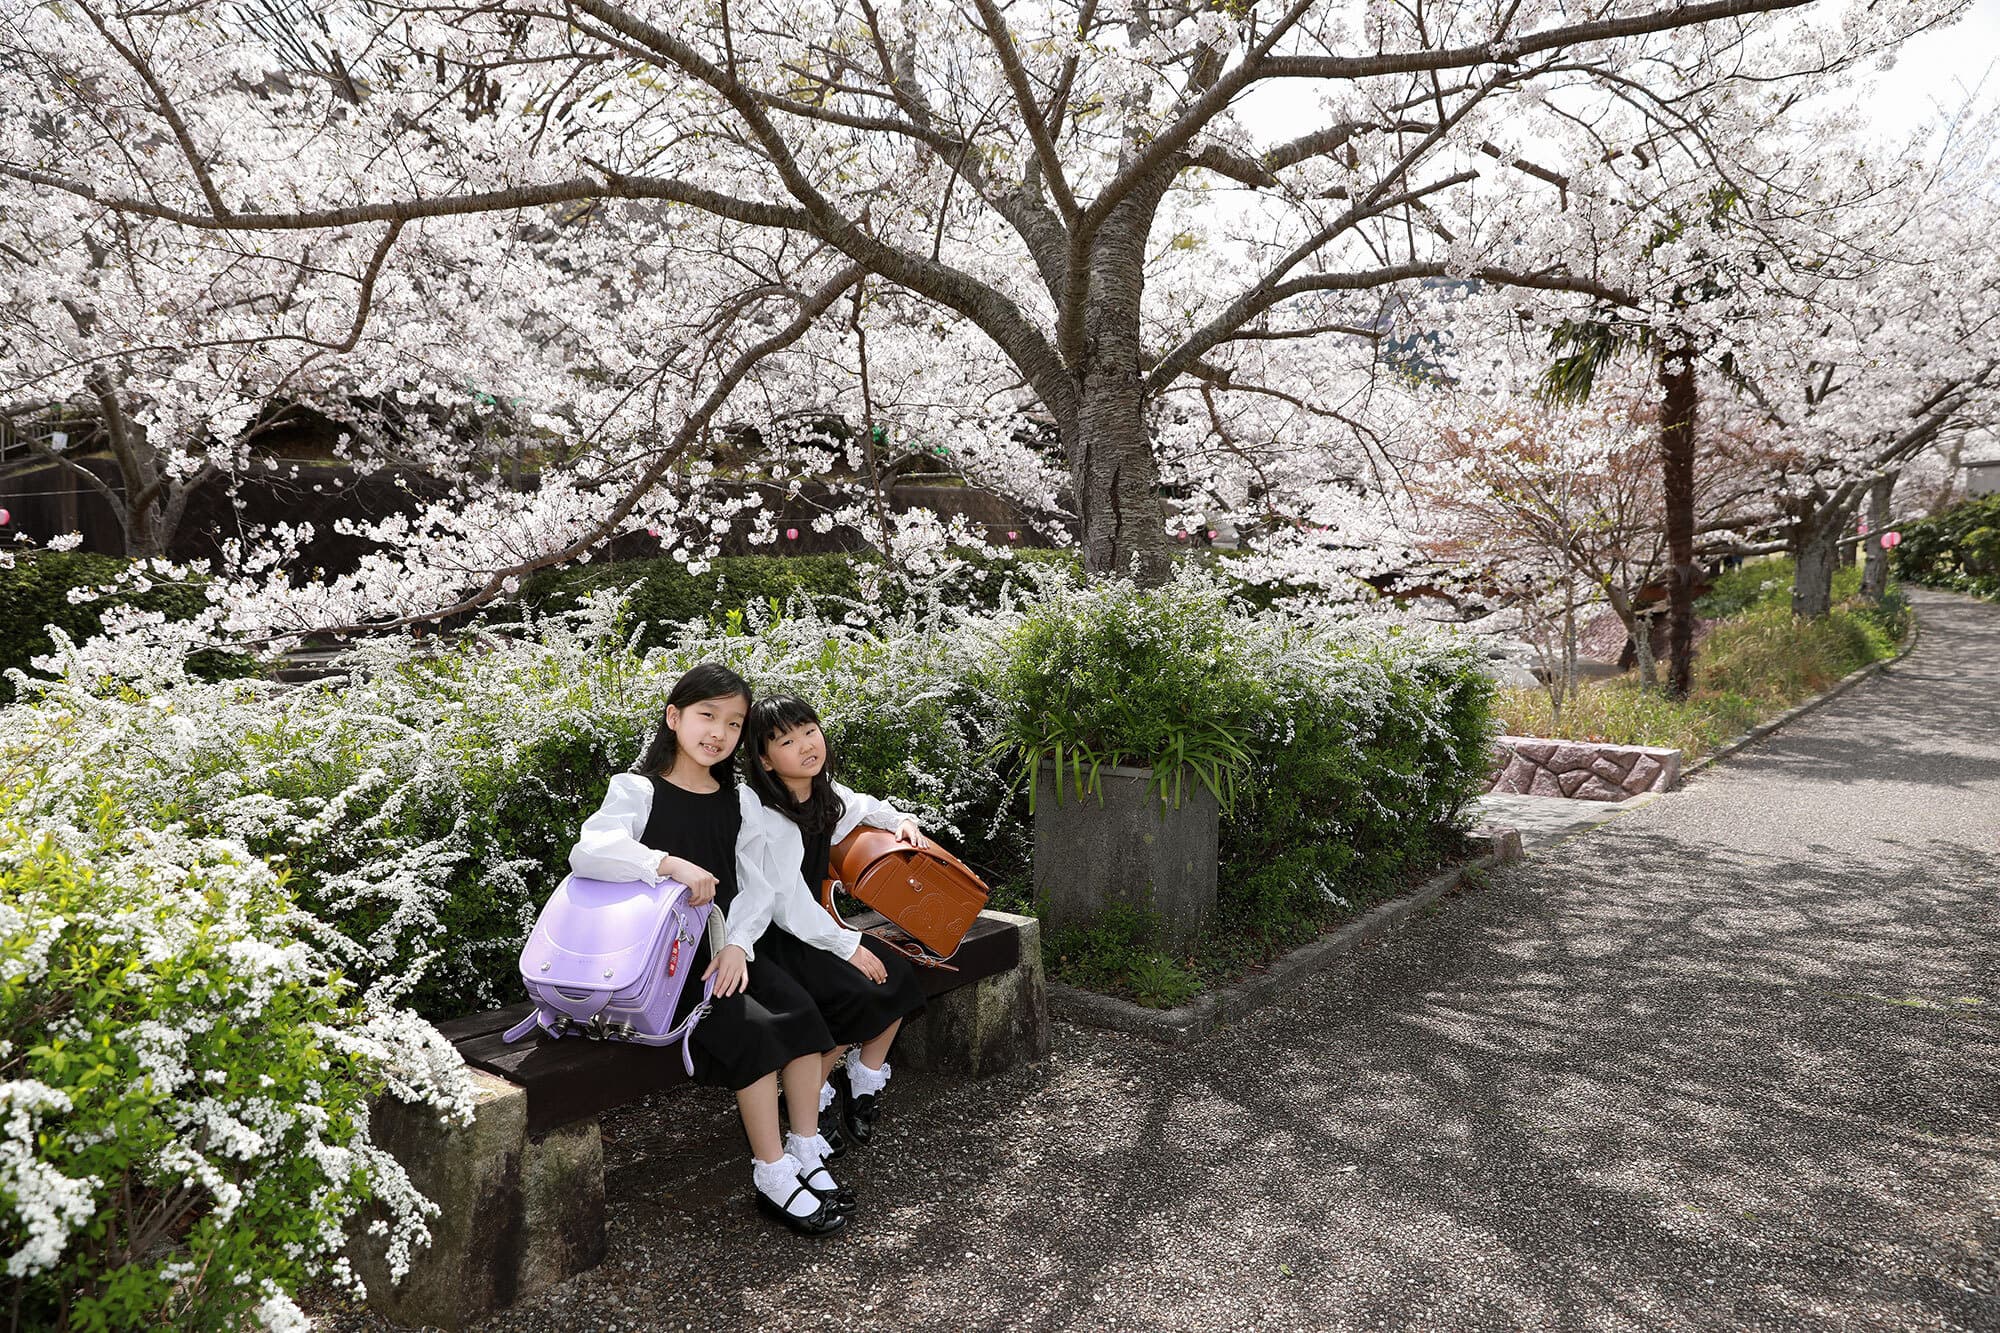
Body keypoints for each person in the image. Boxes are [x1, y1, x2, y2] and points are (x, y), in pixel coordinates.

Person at [566, 663, 850, 1236]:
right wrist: (666, 863)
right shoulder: (637, 790)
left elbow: (756, 887)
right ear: (674, 718)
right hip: (659, 968)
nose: (719, 732)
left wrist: (738, 945)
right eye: (707, 715)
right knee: (755, 1034)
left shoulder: (739, 800)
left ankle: (804, 1145)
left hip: (721, 954)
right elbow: (589, 851)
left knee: (802, 1015)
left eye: (734, 723)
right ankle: (771, 1172)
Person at [737, 693, 929, 1148]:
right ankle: (811, 1098)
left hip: (814, 928)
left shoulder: (823, 793)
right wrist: (849, 947)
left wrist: (901, 822)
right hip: (773, 936)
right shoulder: (764, 813)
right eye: (787, 741)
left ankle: (862, 1079)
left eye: (810, 731)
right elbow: (785, 903)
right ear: (765, 760)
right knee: (855, 994)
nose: (806, 745)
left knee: (899, 975)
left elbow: (865, 806)